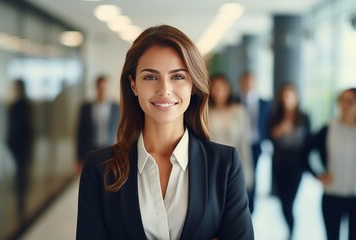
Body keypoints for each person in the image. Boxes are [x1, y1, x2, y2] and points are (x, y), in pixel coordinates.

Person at [76, 25, 254, 240]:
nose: (164, 89)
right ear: (133, 85)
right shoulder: (100, 167)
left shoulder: (224, 164)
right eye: (150, 77)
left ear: (193, 85)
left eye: (178, 77)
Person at [307, 88, 356, 240]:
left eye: (350, 101)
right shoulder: (329, 128)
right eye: (342, 101)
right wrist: (318, 174)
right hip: (332, 194)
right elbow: (305, 153)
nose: (346, 105)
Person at [268, 82, 310, 240]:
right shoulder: (275, 116)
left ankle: (292, 231)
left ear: (296, 97)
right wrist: (281, 129)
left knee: (290, 202)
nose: (288, 98)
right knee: (283, 202)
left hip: (297, 166)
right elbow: (269, 137)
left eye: (290, 95)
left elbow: (308, 141)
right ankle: (290, 228)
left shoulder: (304, 117)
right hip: (279, 164)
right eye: (285, 95)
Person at [208, 74, 254, 203]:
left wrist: (248, 175)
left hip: (234, 164)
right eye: (215, 88)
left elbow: (244, 144)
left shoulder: (239, 111)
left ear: (229, 89)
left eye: (222, 88)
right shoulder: (205, 111)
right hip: (211, 165)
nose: (219, 92)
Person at [238, 71, 271, 213]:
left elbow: (268, 124)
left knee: (253, 174)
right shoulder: (234, 101)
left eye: (251, 81)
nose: (248, 85)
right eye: (245, 81)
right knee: (239, 173)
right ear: (241, 83)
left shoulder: (265, 103)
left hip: (256, 144)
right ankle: (239, 202)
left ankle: (251, 207)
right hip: (238, 144)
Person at [76, 75, 119, 174]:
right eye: (100, 88)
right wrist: (79, 159)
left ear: (107, 88)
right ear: (96, 88)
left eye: (104, 88)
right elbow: (80, 134)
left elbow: (121, 130)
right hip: (91, 150)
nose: (102, 91)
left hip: (110, 150)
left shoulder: (116, 108)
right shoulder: (86, 108)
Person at [6, 79, 34, 224]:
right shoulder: (18, 105)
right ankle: (20, 199)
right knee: (20, 172)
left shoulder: (22, 105)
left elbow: (27, 128)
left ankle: (21, 200)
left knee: (21, 172)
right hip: (19, 145)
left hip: (21, 145)